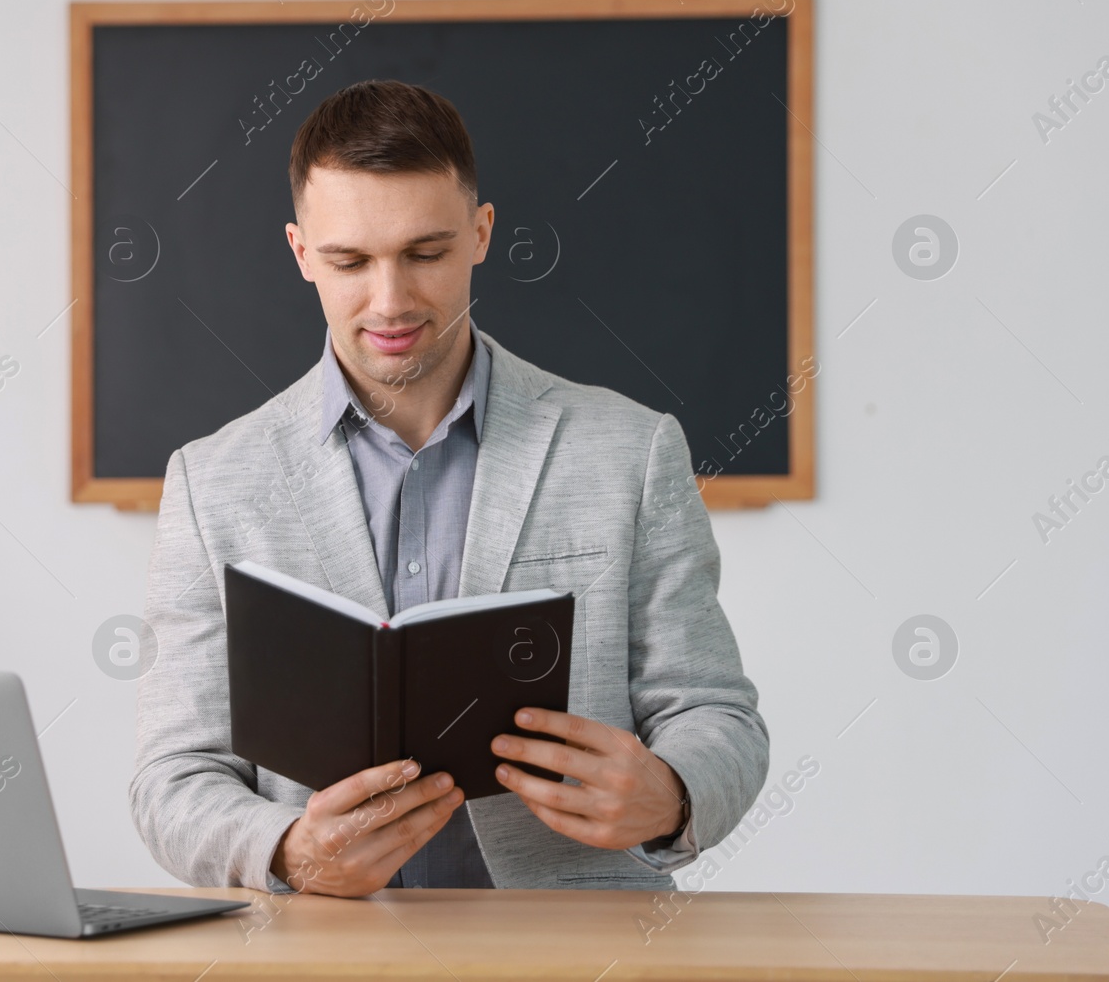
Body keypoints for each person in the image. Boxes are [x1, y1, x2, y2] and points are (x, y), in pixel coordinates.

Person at [130, 78, 768, 897]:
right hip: (327, 961)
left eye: (425, 253)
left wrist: (671, 794)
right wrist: (288, 848)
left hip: (573, 958)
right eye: (349, 261)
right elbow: (172, 777)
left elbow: (720, 717)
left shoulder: (629, 450)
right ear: (299, 253)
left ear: (481, 233)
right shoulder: (210, 481)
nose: (390, 301)